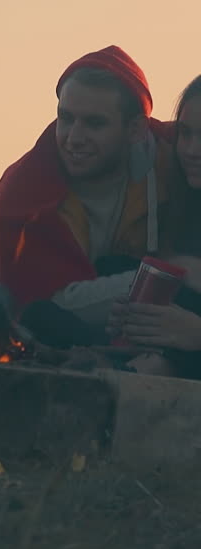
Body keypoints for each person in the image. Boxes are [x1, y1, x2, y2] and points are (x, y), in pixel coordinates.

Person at [0, 46, 172, 346]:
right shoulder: (25, 195)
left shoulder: (176, 166)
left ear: (135, 129)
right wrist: (168, 278)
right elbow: (42, 305)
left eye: (95, 123)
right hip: (50, 342)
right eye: (65, 118)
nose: (74, 138)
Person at [111, 75, 201, 377]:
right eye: (185, 134)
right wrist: (134, 317)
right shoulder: (185, 204)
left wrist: (195, 334)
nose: (192, 149)